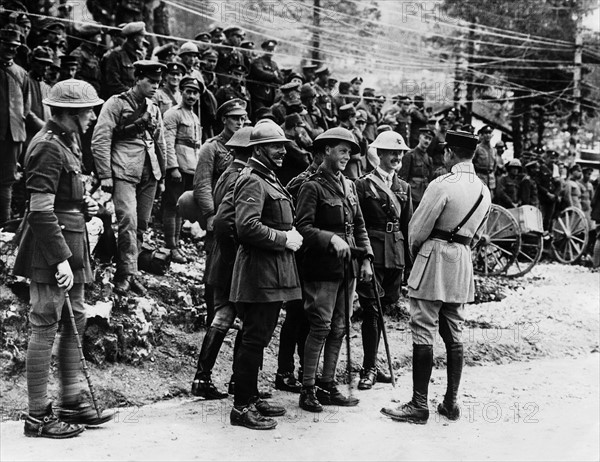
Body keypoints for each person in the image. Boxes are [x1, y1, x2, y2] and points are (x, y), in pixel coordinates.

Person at [13, 79, 114, 438]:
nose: (92, 116)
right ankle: (38, 416)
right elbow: (40, 211)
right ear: (70, 113)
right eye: (88, 110)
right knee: (45, 321)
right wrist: (59, 261)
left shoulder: (68, 141)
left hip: (71, 238)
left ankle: (71, 401)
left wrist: (81, 203)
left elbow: (60, 196)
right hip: (50, 246)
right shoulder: (47, 146)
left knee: (77, 319)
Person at [381, 130, 491, 424]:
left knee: (423, 327)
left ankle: (419, 404)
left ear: (450, 153)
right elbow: (479, 234)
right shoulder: (484, 190)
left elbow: (416, 231)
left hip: (434, 258)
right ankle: (451, 403)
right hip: (462, 262)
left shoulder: (442, 184)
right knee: (454, 331)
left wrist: (418, 254)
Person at [228, 122, 303, 430]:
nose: (282, 151)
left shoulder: (267, 178)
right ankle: (242, 406)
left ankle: (251, 396)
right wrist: (283, 239)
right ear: (259, 149)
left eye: (283, 145)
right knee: (254, 337)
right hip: (259, 272)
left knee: (256, 336)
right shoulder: (252, 180)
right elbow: (246, 226)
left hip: (272, 271)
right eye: (275, 146)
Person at [296, 127, 373, 413]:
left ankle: (327, 385)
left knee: (340, 327)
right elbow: (302, 228)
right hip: (321, 267)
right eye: (342, 150)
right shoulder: (311, 186)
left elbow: (360, 226)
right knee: (321, 325)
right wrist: (330, 239)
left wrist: (366, 258)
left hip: (348, 267)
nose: (346, 156)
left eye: (349, 152)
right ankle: (307, 388)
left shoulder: (350, 185)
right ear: (326, 151)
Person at [92, 60, 167, 295]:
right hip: (123, 170)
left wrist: (161, 175)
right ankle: (125, 274)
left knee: (141, 225)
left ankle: (130, 269)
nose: (156, 87)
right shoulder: (116, 104)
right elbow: (100, 139)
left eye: (158, 83)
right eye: (151, 81)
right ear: (138, 79)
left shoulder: (153, 108)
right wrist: (105, 174)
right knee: (128, 221)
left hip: (149, 172)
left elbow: (160, 142)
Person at [190, 126, 253, 400]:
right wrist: (235, 257)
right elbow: (228, 222)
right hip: (231, 258)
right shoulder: (240, 177)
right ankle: (236, 382)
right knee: (246, 318)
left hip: (220, 257)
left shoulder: (227, 174)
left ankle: (203, 378)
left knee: (223, 316)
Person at [354, 131, 413, 390]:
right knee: (371, 310)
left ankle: (374, 366)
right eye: (391, 152)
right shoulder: (362, 185)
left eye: (400, 153)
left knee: (385, 306)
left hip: (396, 255)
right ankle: (368, 368)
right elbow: (357, 225)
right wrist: (361, 256)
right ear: (379, 154)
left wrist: (410, 264)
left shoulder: (404, 187)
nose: (397, 157)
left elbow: (408, 226)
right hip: (373, 255)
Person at [193, 98, 247, 325]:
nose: (240, 122)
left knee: (234, 263)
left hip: (238, 216)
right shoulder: (212, 147)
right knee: (213, 266)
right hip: (218, 214)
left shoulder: (246, 145)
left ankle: (228, 312)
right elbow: (202, 183)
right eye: (235, 118)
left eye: (243, 118)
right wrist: (209, 215)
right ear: (224, 119)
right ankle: (211, 313)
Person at [162, 76, 203, 263]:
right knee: (171, 206)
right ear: (181, 92)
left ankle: (176, 245)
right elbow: (167, 143)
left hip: (191, 168)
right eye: (188, 91)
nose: (191, 96)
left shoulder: (194, 117)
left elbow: (197, 145)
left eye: (195, 93)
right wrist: (172, 167)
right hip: (178, 167)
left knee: (181, 208)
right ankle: (170, 246)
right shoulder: (173, 114)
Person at [0, 25, 31, 227]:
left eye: (15, 46)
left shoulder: (21, 73)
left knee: (6, 182)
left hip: (14, 136)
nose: (11, 49)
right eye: (6, 45)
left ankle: (3, 225)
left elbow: (26, 106)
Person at [101, 22, 146, 98]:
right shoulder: (116, 55)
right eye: (142, 37)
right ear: (135, 38)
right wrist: (134, 94)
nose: (143, 40)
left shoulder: (139, 56)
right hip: (121, 100)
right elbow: (113, 84)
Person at [398, 127, 434, 209]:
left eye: (430, 139)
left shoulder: (429, 158)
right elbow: (403, 177)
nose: (427, 141)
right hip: (412, 195)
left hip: (424, 195)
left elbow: (430, 178)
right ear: (419, 137)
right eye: (425, 137)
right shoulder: (410, 155)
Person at [247, 39, 282, 118]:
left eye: (272, 50)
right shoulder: (257, 62)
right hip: (258, 96)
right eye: (269, 50)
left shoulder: (274, 64)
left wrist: (274, 77)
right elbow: (261, 74)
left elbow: (281, 79)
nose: (271, 52)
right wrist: (274, 75)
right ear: (264, 49)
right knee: (261, 115)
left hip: (270, 98)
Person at [473, 125, 497, 196]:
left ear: (492, 135)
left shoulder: (493, 150)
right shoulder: (477, 148)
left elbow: (495, 165)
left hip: (491, 180)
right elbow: (472, 163)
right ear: (482, 135)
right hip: (480, 178)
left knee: (490, 200)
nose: (488, 135)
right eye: (486, 133)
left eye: (489, 133)